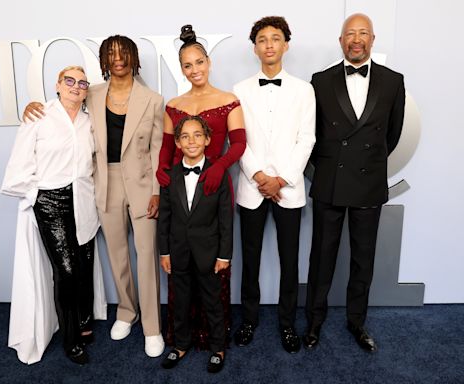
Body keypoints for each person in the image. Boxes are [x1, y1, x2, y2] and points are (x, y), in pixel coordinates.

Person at [23, 35, 165, 357]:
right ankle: (127, 313)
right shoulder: (92, 94)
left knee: (146, 256)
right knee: (117, 255)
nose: (118, 59)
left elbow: (157, 150)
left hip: (143, 184)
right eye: (111, 54)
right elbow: (65, 108)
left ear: (133, 57)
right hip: (104, 182)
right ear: (104, 60)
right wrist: (33, 107)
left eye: (123, 53)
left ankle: (152, 327)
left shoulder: (153, 99)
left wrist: (157, 190)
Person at [303, 13, 405, 353]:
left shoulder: (393, 81)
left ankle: (357, 322)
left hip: (368, 182)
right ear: (341, 41)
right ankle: (314, 323)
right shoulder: (319, 80)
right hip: (330, 181)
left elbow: (391, 136)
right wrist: (331, 166)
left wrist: (368, 163)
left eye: (363, 33)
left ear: (373, 40)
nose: (356, 39)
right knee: (322, 257)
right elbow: (311, 137)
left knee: (364, 258)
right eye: (350, 33)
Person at [2, 66, 99, 365]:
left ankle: (83, 322)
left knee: (83, 264)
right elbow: (18, 166)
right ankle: (70, 340)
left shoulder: (88, 121)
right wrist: (38, 196)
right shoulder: (38, 115)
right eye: (69, 81)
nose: (76, 86)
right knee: (66, 271)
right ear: (57, 85)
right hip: (51, 200)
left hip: (83, 199)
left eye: (82, 83)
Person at [156, 24, 246, 349]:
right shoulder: (174, 104)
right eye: (187, 65)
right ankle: (182, 340)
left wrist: (219, 166)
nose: (195, 69)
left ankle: (215, 340)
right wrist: (161, 171)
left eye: (199, 62)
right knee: (182, 271)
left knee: (211, 270)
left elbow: (239, 144)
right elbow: (167, 148)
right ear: (181, 69)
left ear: (209, 62)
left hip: (214, 185)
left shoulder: (228, 100)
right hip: (180, 192)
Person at [232, 16, 316, 354]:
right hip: (252, 187)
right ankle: (249, 319)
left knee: (289, 260)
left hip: (289, 187)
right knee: (249, 259)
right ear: (254, 48)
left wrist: (281, 178)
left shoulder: (303, 89)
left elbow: (307, 138)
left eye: (275, 38)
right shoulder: (239, 90)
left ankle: (287, 323)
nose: (269, 44)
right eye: (263, 39)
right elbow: (238, 141)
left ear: (286, 45)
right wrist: (259, 177)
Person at [158, 115, 232, 373]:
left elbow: (226, 219)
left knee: (212, 301)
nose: (192, 141)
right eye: (185, 136)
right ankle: (180, 345)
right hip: (178, 251)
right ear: (177, 142)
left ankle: (218, 347)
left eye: (197, 135)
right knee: (180, 301)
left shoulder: (218, 174)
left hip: (209, 253)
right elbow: (164, 217)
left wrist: (224, 255)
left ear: (208, 139)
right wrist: (164, 251)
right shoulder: (170, 175)